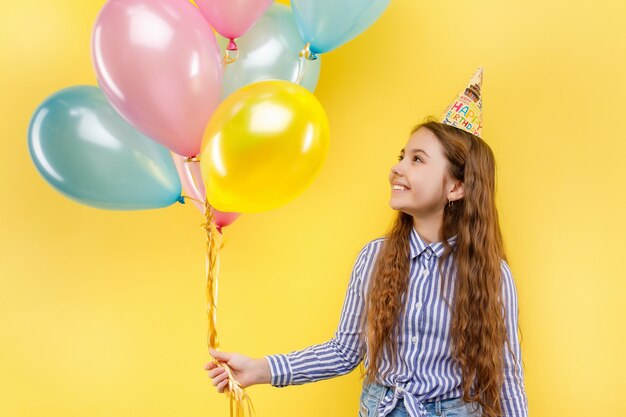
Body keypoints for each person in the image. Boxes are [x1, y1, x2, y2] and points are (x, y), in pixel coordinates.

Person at [203, 67, 529, 417]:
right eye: (401, 156)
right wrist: (260, 369)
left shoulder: (491, 274)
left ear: (456, 188)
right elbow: (344, 351)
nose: (397, 168)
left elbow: (506, 376)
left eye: (417, 159)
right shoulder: (375, 258)